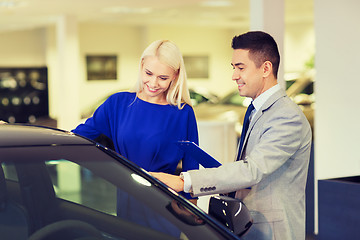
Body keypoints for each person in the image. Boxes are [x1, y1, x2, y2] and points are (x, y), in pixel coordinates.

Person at [151, 31, 312, 240]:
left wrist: (185, 182)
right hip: (250, 226)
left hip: (273, 232)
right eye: (233, 67)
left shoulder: (287, 117)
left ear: (265, 68)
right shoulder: (257, 111)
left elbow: (252, 170)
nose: (234, 75)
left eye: (240, 68)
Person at [72, 40, 199, 236]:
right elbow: (76, 136)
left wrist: (192, 207)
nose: (154, 83)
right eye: (149, 73)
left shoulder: (183, 113)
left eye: (163, 77)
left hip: (166, 205)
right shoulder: (117, 104)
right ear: (141, 66)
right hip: (126, 199)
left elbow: (192, 166)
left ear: (175, 76)